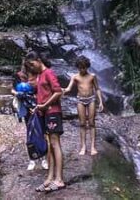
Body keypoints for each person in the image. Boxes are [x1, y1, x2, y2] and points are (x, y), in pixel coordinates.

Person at [27, 51, 65, 192]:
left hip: (53, 112)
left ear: (38, 60)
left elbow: (58, 91)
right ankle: (50, 178)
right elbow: (42, 94)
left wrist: (44, 105)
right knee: (49, 146)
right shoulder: (40, 75)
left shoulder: (48, 73)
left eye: (32, 64)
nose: (31, 67)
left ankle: (59, 179)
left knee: (55, 144)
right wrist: (38, 107)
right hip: (44, 113)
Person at [63, 55, 104, 156]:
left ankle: (93, 147)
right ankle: (83, 147)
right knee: (82, 123)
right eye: (80, 67)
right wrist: (61, 90)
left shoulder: (92, 76)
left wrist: (101, 102)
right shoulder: (75, 77)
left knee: (91, 123)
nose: (82, 69)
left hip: (91, 99)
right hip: (80, 100)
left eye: (84, 67)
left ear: (87, 66)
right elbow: (68, 88)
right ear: (78, 67)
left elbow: (97, 89)